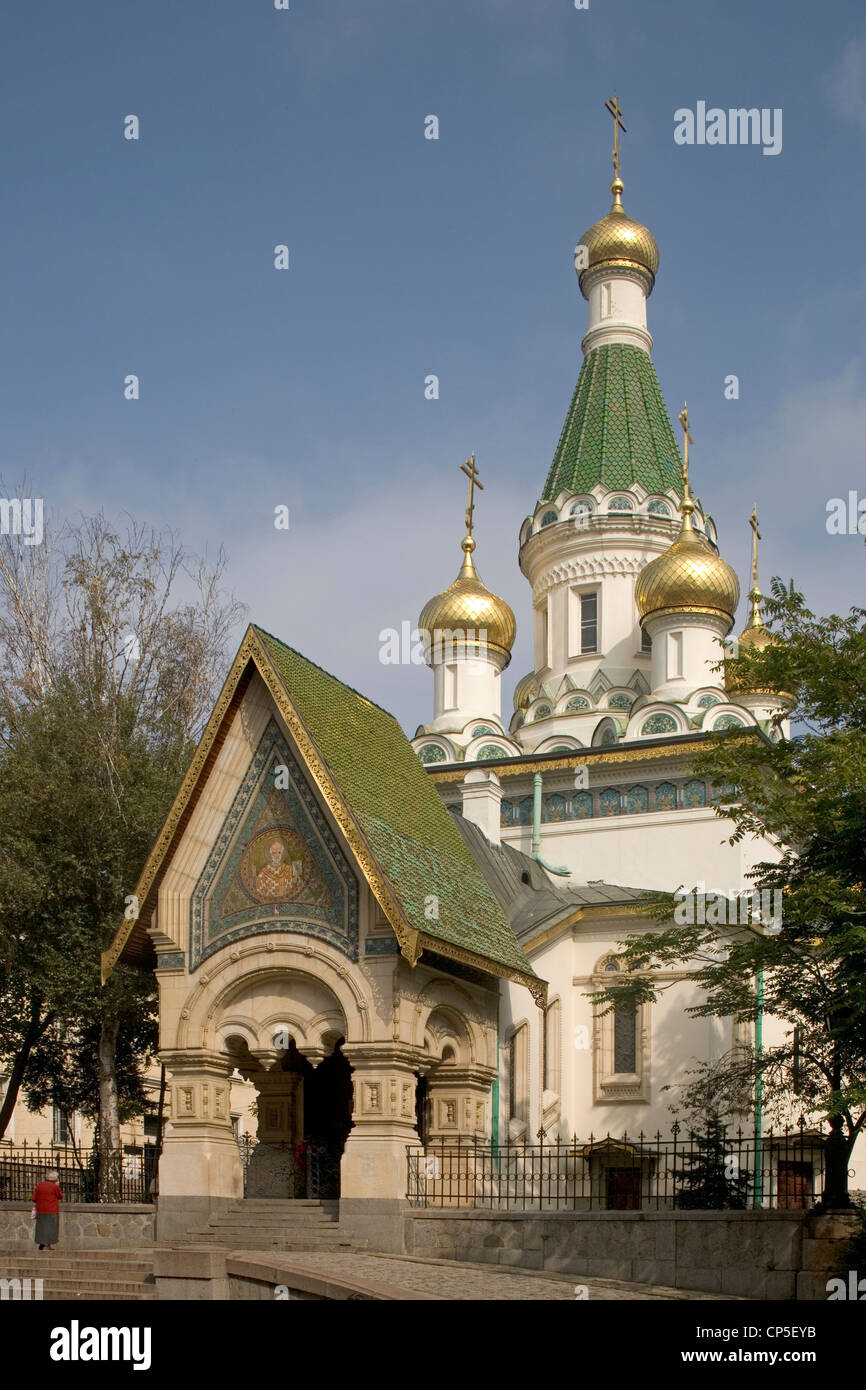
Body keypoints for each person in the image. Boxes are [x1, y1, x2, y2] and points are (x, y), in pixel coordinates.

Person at [32, 1169, 63, 1251]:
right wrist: (57, 1186)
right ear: (55, 1179)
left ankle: (42, 1244)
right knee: (51, 1228)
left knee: (42, 1228)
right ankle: (47, 1246)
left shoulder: (39, 1185)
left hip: (41, 1210)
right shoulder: (54, 1187)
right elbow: (60, 1196)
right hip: (52, 1210)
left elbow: (34, 1198)